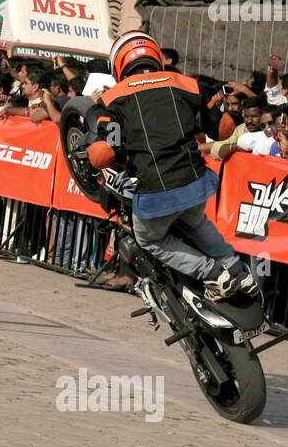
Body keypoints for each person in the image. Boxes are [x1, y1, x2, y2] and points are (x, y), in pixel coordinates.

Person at [93, 31, 255, 301]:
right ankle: (238, 270)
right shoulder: (188, 84)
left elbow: (107, 151)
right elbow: (222, 127)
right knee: (195, 222)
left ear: (118, 64)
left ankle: (213, 274)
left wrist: (97, 151)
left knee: (149, 239)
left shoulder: (113, 98)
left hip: (157, 189)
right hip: (196, 180)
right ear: (156, 56)